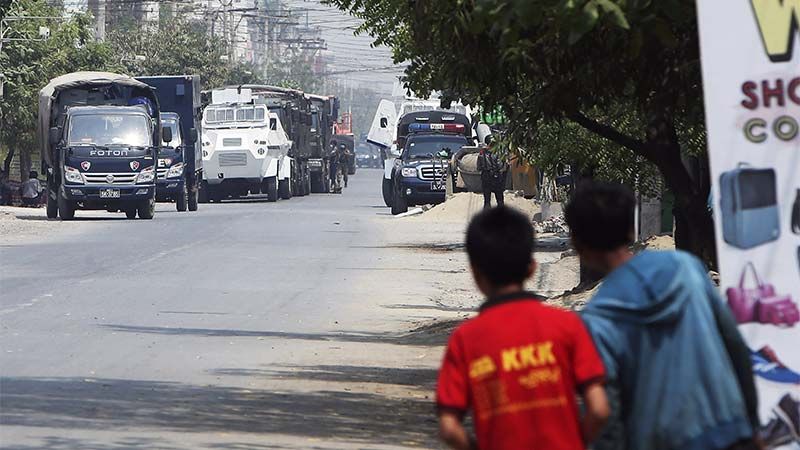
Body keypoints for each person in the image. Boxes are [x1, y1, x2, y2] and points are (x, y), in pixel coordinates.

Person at [565, 181, 760, 450]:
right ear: (631, 230)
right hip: (730, 434)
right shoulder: (687, 270)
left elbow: (608, 411)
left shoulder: (597, 320)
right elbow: (735, 348)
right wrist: (751, 424)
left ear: (578, 244)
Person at [436, 206, 610, 450]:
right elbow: (600, 409)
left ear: (475, 274)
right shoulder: (566, 325)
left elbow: (449, 428)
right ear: (531, 268)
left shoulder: (465, 340)